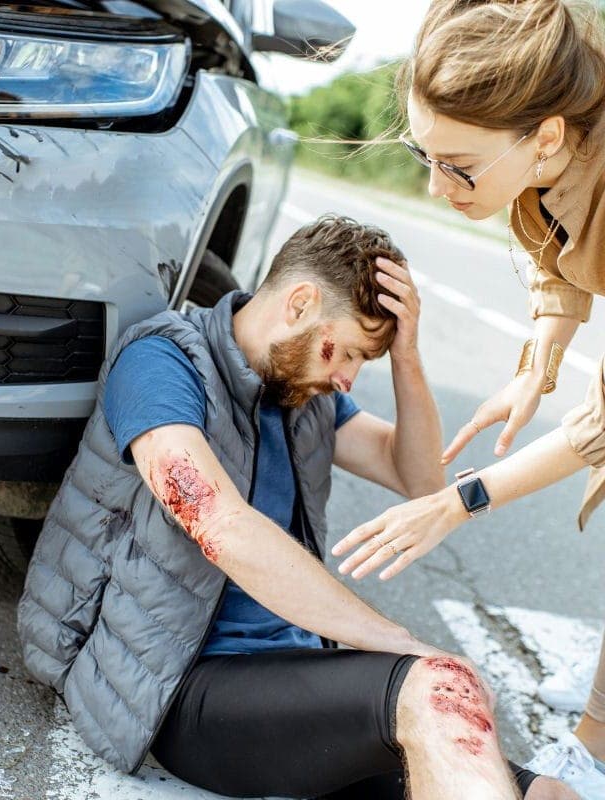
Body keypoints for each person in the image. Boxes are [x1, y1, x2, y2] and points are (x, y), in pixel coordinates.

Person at [17, 215, 567, 799]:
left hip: (291, 677)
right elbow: (220, 525)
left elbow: (419, 477)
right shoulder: (161, 363)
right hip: (182, 686)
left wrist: (406, 357)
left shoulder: (304, 397)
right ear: (300, 303)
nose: (348, 378)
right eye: (348, 351)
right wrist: (398, 642)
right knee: (437, 691)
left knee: (551, 794)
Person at [329, 2, 605, 797]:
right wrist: (539, 362)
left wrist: (457, 502)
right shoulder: (540, 164)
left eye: (458, 166)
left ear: (546, 136)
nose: (435, 184)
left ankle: (594, 751)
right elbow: (555, 249)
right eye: (425, 154)